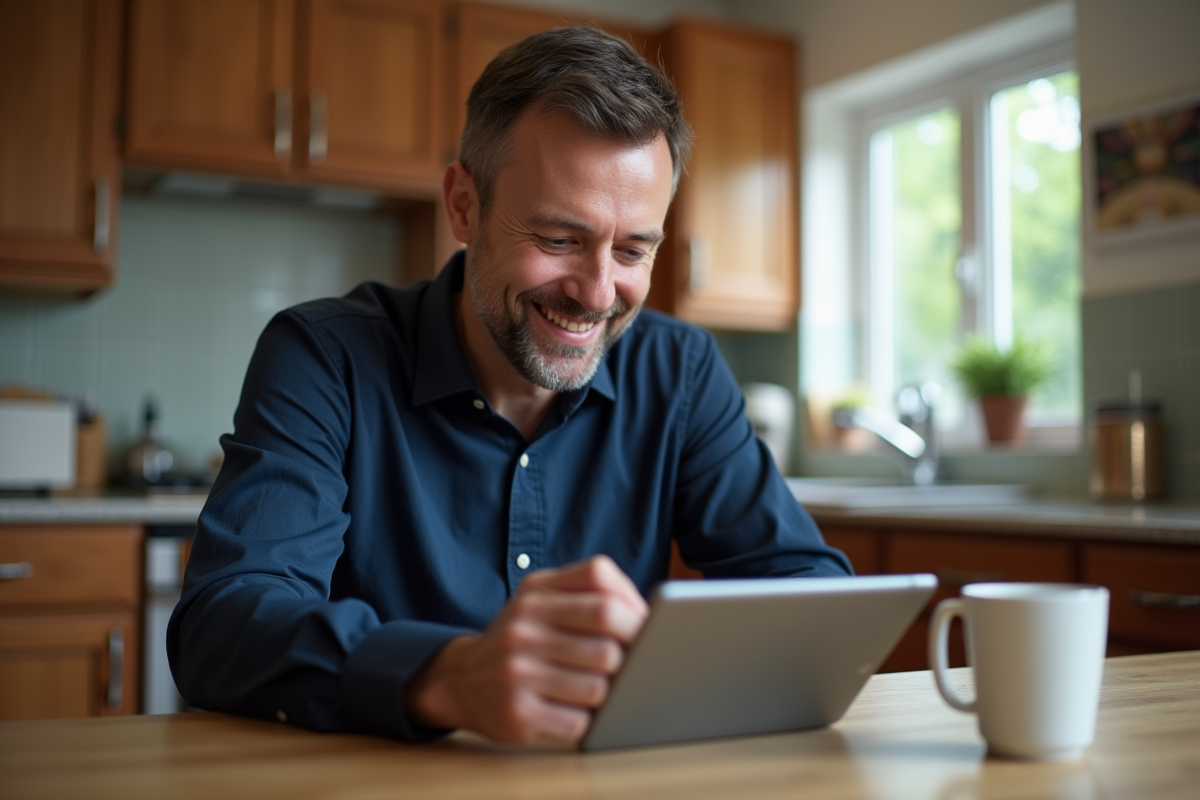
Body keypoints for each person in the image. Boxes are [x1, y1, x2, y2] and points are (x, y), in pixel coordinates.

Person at [168, 25, 851, 746]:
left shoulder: (679, 372)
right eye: (559, 239)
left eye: (631, 250)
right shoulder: (325, 356)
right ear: (464, 205)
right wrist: (451, 675)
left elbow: (809, 593)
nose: (596, 292)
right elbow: (223, 621)